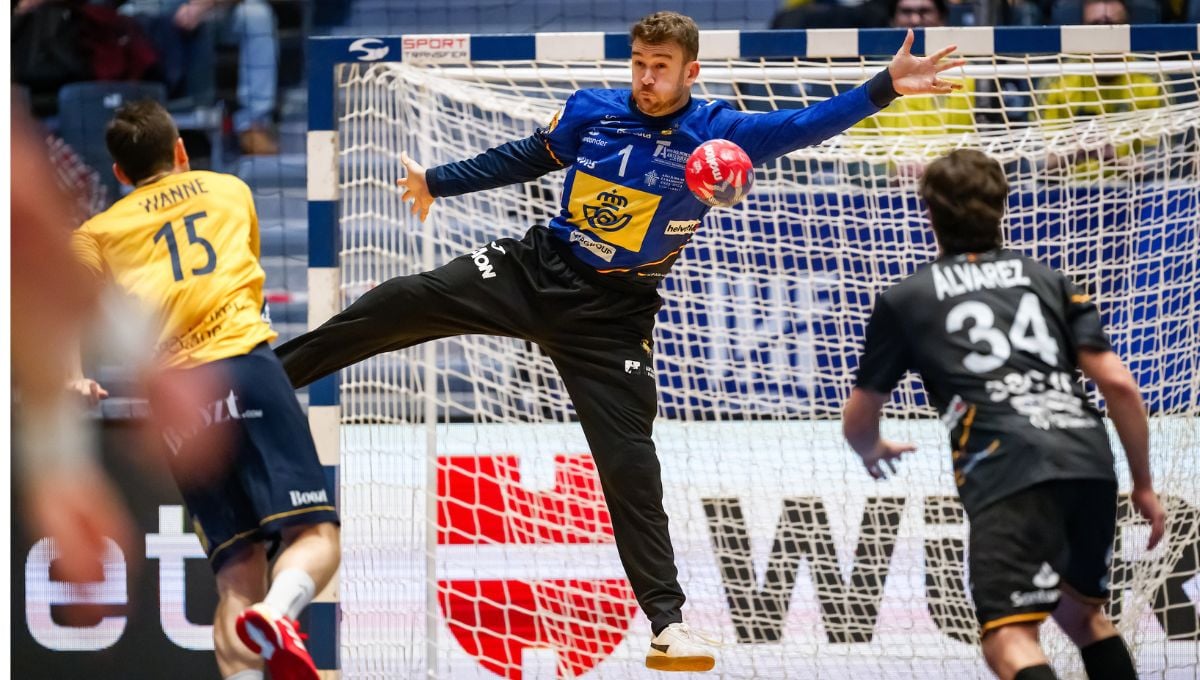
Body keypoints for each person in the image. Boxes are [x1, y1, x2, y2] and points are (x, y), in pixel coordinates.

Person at [275, 10, 961, 672]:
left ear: (689, 70)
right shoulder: (592, 110)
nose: (645, 77)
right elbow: (527, 156)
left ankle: (667, 625)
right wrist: (438, 182)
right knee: (395, 303)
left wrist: (884, 87)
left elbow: (805, 125)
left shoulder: (717, 135)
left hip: (613, 316)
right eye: (639, 63)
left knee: (632, 465)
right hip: (536, 270)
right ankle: (262, 383)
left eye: (659, 66)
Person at [842, 149, 1167, 680]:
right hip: (1088, 460)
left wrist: (872, 449)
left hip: (1007, 468)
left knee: (1009, 638)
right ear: (1001, 208)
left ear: (929, 214)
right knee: (1083, 615)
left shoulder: (908, 299)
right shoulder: (1049, 279)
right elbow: (1120, 386)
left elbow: (858, 420)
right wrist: (1144, 484)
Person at [71, 100, 338, 680]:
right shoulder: (228, 190)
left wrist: (73, 371)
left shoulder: (96, 233)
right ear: (181, 152)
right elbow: (246, 273)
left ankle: (254, 634)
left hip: (178, 403)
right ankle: (278, 613)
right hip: (244, 364)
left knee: (235, 572)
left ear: (118, 173)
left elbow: (57, 307)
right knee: (315, 534)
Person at [118, 0, 280, 154]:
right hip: (150, 6)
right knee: (120, 18)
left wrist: (203, 4)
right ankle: (124, 114)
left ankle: (253, 124)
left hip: (217, 8)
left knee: (257, 16)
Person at [849, 0, 975, 180]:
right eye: (906, 12)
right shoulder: (868, 80)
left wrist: (941, 173)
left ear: (943, 17)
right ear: (893, 20)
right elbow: (853, 160)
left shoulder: (973, 78)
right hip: (887, 198)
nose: (915, 19)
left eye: (924, 11)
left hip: (956, 192)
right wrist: (889, 174)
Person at [1040, 0, 1167, 177]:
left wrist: (1112, 158)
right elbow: (1035, 164)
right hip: (1065, 196)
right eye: (1095, 26)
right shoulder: (1057, 82)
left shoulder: (1151, 82)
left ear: (1126, 32)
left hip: (1132, 194)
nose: (1103, 37)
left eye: (1111, 27)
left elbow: (1162, 162)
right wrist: (1074, 152)